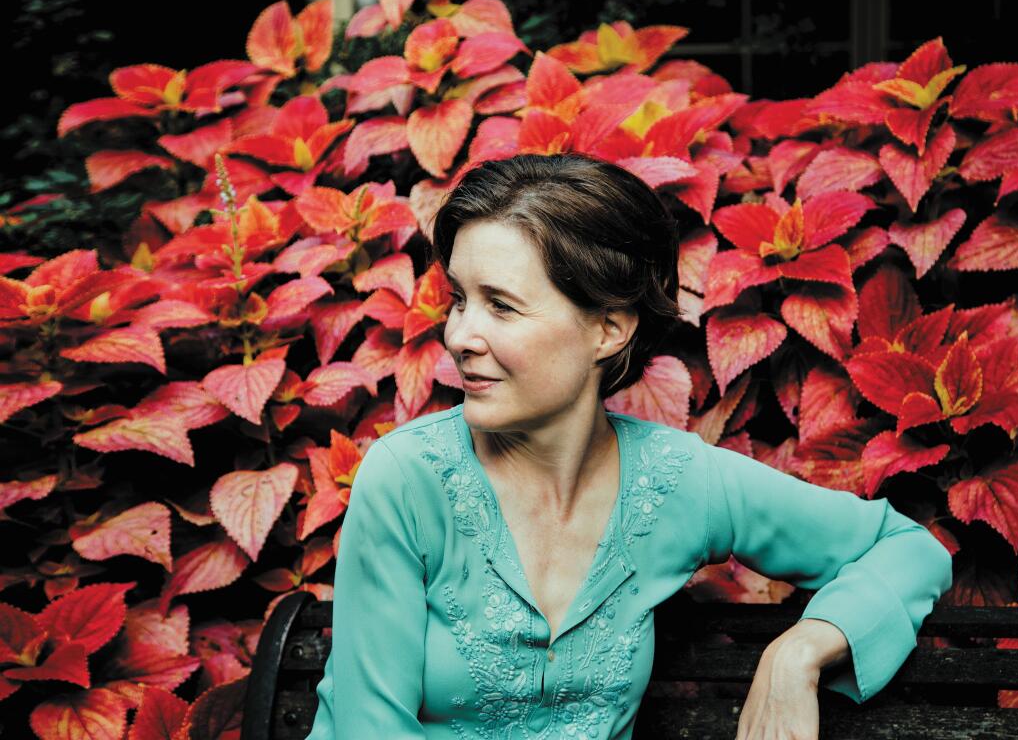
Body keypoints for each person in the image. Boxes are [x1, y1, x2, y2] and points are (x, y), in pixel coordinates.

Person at [305, 153, 954, 739]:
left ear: (608, 328)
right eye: (460, 301)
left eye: (500, 306)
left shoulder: (679, 483)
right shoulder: (407, 480)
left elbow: (904, 549)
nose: (460, 336)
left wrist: (802, 651)